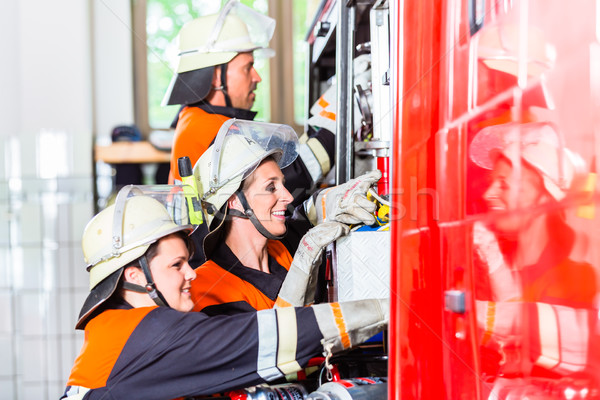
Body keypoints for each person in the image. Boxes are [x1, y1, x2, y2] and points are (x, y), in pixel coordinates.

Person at [60, 184, 388, 399]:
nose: (192, 273)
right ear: (134, 275)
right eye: (176, 266)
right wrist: (388, 309)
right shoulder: (152, 333)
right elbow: (270, 338)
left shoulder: (113, 328)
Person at [189, 119, 381, 315]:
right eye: (271, 187)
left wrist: (334, 200)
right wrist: (301, 268)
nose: (288, 196)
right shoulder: (206, 289)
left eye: (282, 184)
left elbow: (305, 215)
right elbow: (269, 341)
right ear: (233, 201)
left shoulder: (281, 248)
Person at [468, 121, 600, 396]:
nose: (488, 193)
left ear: (542, 198)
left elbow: (521, 340)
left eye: (503, 184)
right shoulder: (497, 266)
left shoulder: (576, 280)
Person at [163, 0, 334, 205]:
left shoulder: (195, 119)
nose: (257, 77)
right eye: (248, 67)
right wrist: (336, 126)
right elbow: (281, 185)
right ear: (217, 76)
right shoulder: (209, 129)